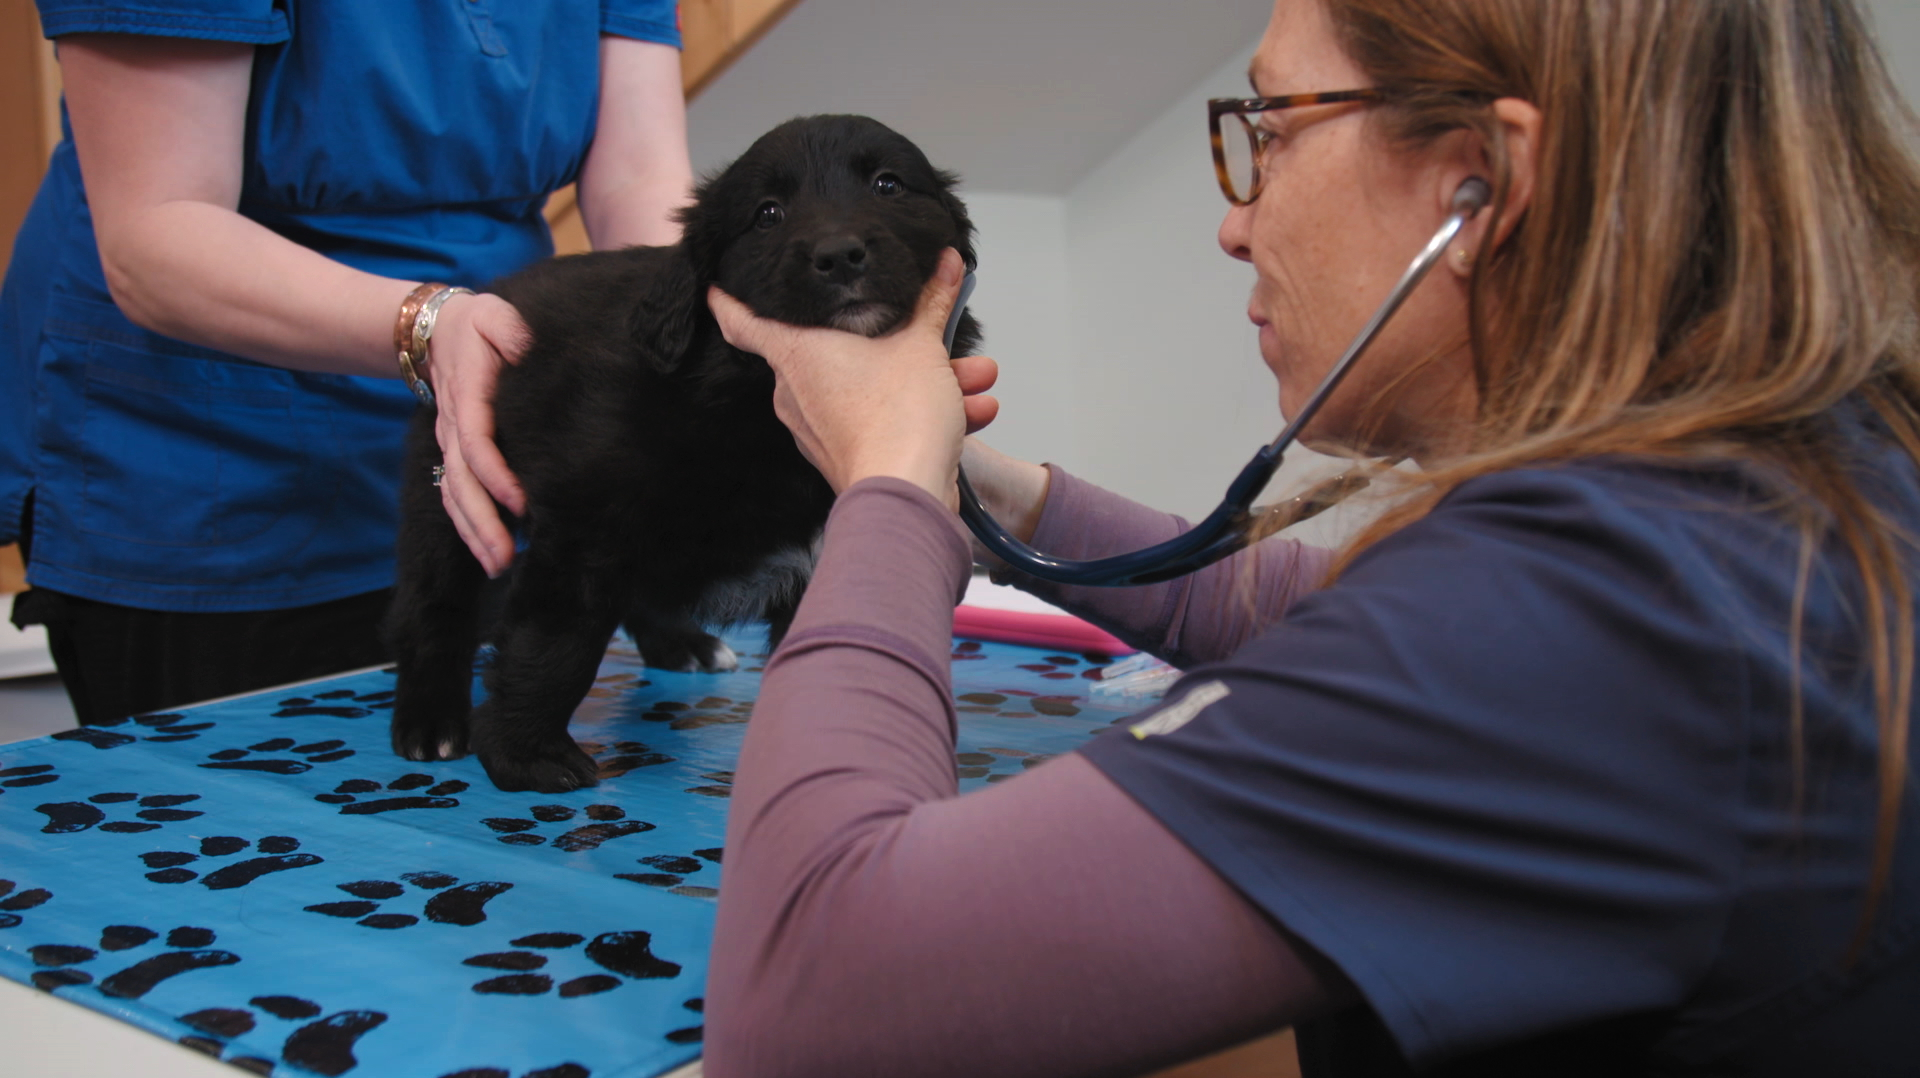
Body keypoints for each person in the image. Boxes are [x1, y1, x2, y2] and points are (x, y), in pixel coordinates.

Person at [700, 0, 1920, 1075]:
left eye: (1271, 129)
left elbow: (809, 993)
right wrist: (985, 490)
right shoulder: (1774, 488)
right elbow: (1334, 619)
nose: (1235, 225)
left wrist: (889, 488)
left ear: (1477, 183)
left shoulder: (1606, 614)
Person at [0, 0, 691, 726]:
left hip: (491, 454)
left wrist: (698, 314)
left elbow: (638, 178)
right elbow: (157, 230)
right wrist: (433, 325)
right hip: (210, 479)